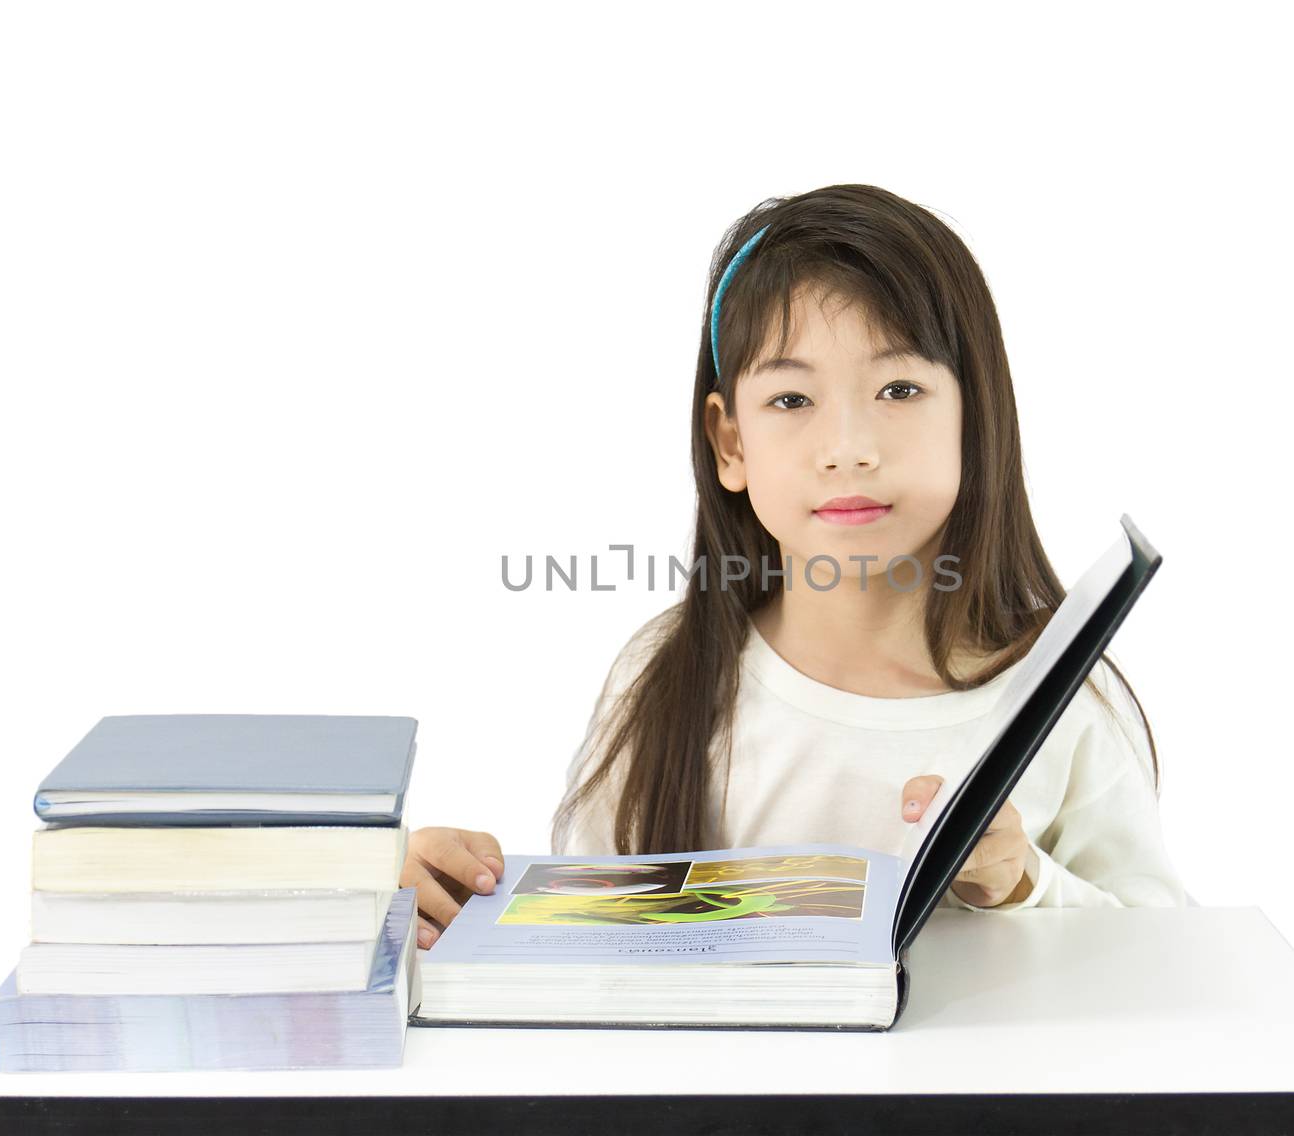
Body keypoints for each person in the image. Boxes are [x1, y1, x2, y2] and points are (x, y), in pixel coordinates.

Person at [401, 184, 1186, 948]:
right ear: (730, 443)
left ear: (974, 421)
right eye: (791, 401)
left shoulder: (1065, 705)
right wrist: (450, 906)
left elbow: (1170, 959)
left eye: (899, 388)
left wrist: (1025, 884)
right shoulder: (667, 677)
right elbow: (597, 950)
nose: (847, 447)